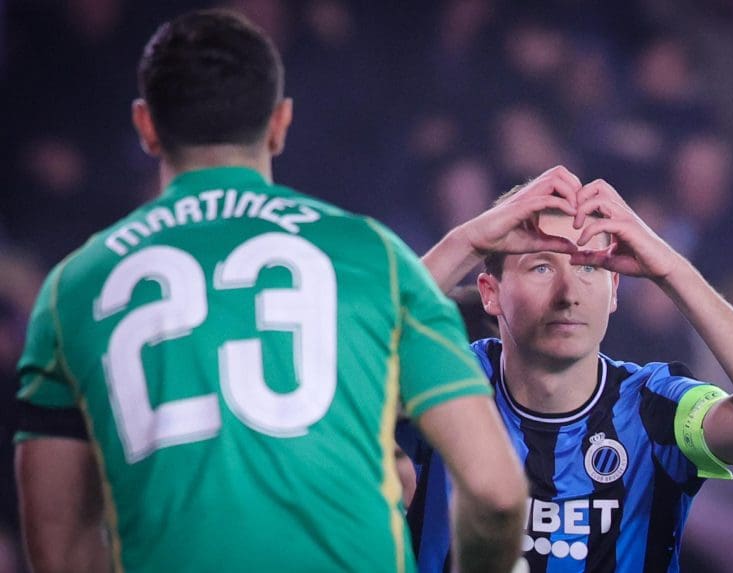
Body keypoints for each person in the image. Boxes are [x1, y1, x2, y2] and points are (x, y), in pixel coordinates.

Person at [13, 10, 527, 573]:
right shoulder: (372, 255)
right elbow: (497, 492)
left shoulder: (73, 288)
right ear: (280, 123)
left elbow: (59, 549)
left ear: (146, 127)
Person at [403, 165, 733, 572]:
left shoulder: (654, 406)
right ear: (491, 294)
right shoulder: (448, 383)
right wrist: (468, 242)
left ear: (615, 290)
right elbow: (350, 361)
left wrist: (670, 270)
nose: (569, 293)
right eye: (542, 266)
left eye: (589, 266)